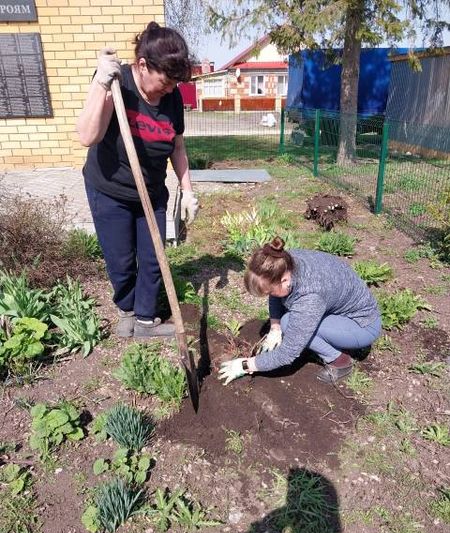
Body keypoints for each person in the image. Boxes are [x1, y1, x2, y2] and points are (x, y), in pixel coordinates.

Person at [77, 22, 198, 339]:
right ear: (143, 65)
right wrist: (100, 84)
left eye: (174, 83)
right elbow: (87, 136)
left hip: (152, 191)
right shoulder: (118, 84)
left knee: (153, 256)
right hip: (110, 190)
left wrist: (187, 191)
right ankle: (127, 310)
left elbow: (178, 146)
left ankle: (145, 320)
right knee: (120, 260)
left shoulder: (172, 97)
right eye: (165, 82)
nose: (170, 89)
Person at [218, 236, 382, 385]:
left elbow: (287, 354)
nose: (269, 296)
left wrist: (246, 365)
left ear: (284, 280)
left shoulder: (310, 297)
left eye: (269, 292)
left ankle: (340, 361)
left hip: (362, 325)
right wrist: (275, 328)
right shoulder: (283, 261)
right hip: (334, 306)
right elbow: (275, 294)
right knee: (285, 321)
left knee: (288, 323)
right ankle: (330, 337)